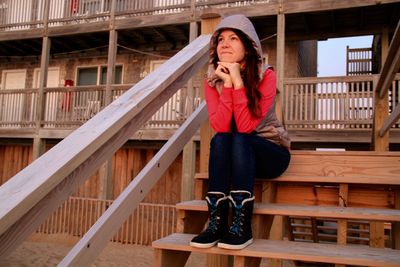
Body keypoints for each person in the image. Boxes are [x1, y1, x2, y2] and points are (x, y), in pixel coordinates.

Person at [189, 14, 291, 250]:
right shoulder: (212, 80)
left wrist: (237, 80)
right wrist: (226, 83)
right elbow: (221, 126)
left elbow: (246, 127)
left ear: (249, 46)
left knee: (240, 138)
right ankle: (216, 224)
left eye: (234, 38)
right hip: (236, 151)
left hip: (271, 153)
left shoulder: (266, 75)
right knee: (222, 138)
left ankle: (241, 226)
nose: (224, 43)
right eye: (221, 39)